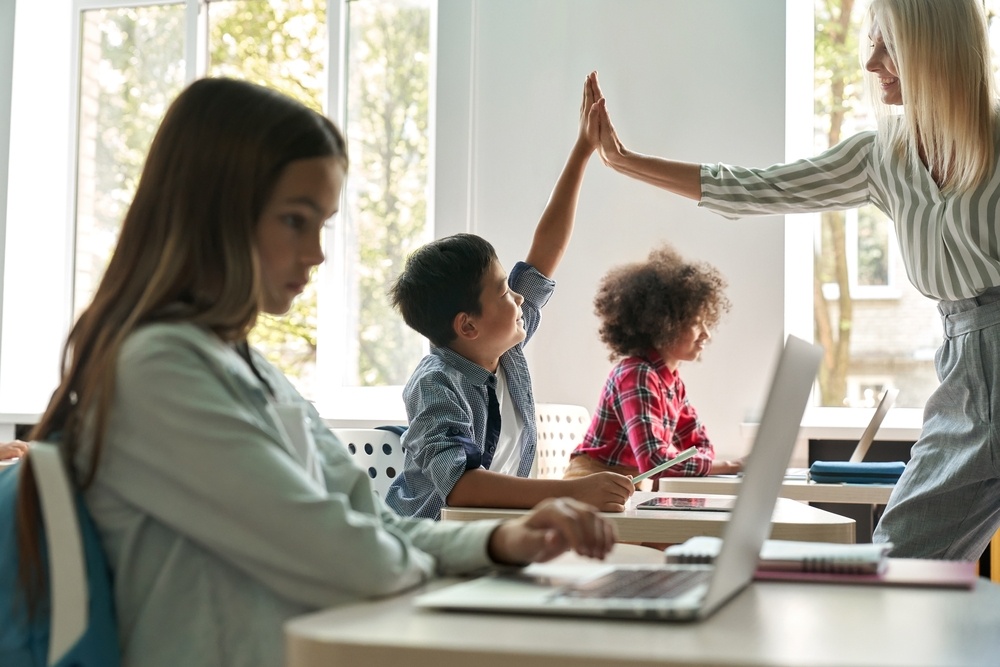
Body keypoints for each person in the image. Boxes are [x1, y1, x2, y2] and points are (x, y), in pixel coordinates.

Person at [13, 77, 617, 667]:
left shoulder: (252, 369)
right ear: (217, 213)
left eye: (323, 224)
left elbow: (369, 521)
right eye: (296, 221)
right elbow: (339, 553)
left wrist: (498, 541)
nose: (318, 253)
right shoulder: (157, 371)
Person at [587, 0, 1000, 561]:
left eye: (889, 46)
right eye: (871, 43)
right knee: (900, 560)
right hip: (963, 374)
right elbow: (755, 188)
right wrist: (620, 159)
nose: (871, 62)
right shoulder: (882, 157)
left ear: (932, 52)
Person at [385, 73, 635, 520]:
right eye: (503, 291)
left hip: (491, 536)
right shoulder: (435, 383)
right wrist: (570, 495)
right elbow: (459, 487)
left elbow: (545, 252)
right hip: (432, 546)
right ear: (468, 325)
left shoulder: (505, 348)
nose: (518, 299)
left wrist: (582, 152)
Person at [564, 243, 741, 486]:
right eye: (697, 323)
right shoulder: (636, 375)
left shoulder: (672, 381)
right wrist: (731, 466)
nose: (706, 334)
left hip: (629, 484)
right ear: (664, 324)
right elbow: (656, 462)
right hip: (591, 483)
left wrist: (695, 462)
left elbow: (701, 446)